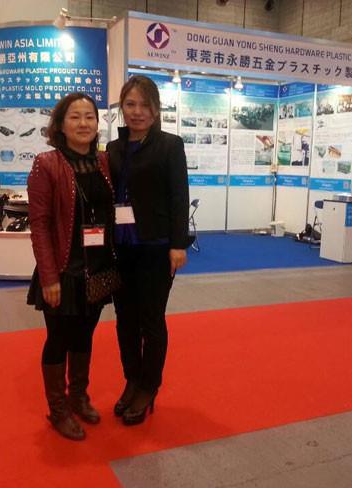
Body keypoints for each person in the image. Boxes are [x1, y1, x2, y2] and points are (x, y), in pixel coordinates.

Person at [26, 93, 115, 441]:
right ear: (60, 125)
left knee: (84, 335)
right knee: (59, 339)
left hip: (97, 268)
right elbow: (40, 224)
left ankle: (78, 395)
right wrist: (49, 277)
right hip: (63, 270)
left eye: (89, 116)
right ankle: (58, 408)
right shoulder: (46, 164)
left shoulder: (104, 162)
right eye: (75, 117)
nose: (83, 123)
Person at [107, 75, 191, 426]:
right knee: (124, 319)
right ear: (122, 108)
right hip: (121, 248)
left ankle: (149, 386)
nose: (137, 111)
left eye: (145, 105)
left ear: (156, 110)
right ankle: (132, 379)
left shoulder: (170, 145)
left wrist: (178, 243)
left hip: (156, 247)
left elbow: (179, 196)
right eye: (131, 104)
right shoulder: (113, 148)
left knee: (151, 320)